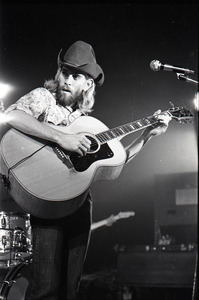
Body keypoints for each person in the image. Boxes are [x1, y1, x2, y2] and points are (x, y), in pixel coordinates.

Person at [1, 41, 171, 300]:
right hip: (48, 196)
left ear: (88, 84)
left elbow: (117, 162)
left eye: (76, 76)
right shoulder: (43, 97)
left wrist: (147, 136)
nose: (67, 80)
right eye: (64, 72)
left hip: (79, 202)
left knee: (70, 290)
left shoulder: (87, 123)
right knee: (45, 289)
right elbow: (12, 116)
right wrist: (62, 138)